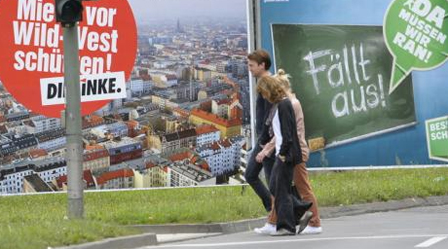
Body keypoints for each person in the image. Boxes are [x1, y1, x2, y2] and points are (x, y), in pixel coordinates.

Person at [257, 69, 322, 235]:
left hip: (294, 152)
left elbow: (289, 134)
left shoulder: (290, 104)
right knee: (278, 187)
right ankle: (275, 221)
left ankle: (314, 222)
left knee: (301, 188)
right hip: (289, 150)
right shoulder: (284, 103)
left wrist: (274, 152)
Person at [255, 75, 304, 236]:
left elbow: (288, 133)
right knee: (276, 187)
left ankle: (287, 226)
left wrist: (282, 154)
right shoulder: (278, 105)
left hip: (285, 154)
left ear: (269, 90)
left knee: (280, 189)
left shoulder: (283, 105)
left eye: (263, 92)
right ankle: (301, 210)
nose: (263, 96)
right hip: (282, 152)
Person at [244, 50, 276, 214]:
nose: (249, 69)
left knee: (268, 181)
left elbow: (269, 115)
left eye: (251, 65)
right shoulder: (265, 82)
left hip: (267, 139)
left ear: (262, 65)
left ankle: (279, 211)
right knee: (252, 175)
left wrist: (264, 141)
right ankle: (276, 209)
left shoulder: (267, 83)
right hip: (265, 138)